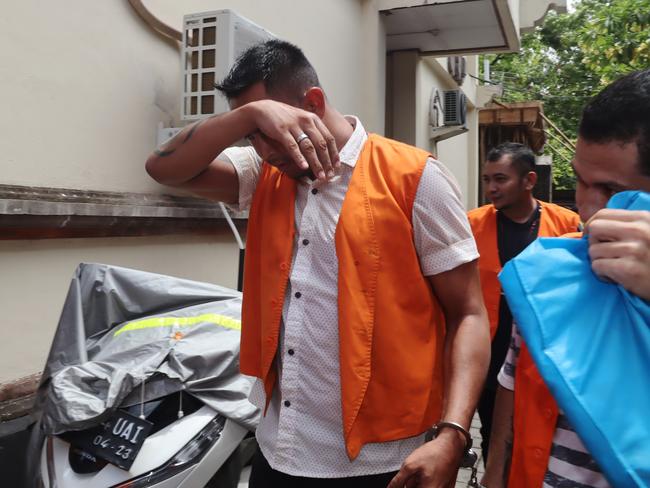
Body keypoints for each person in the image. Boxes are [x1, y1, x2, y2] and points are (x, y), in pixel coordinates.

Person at [145, 39, 490, 487]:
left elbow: (469, 313)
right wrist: (249, 117)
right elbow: (164, 170)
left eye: (271, 130)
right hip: (278, 448)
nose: (264, 149)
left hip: (383, 462)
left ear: (313, 103)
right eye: (254, 135)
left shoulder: (415, 179)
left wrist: (453, 434)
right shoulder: (262, 174)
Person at [482, 69, 650, 487]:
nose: (588, 208)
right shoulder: (549, 269)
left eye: (612, 190)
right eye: (580, 179)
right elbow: (512, 380)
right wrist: (494, 475)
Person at [467, 143, 580, 462]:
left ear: (529, 180)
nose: (491, 188)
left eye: (500, 179)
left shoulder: (566, 224)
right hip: (490, 349)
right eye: (487, 179)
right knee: (494, 435)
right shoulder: (472, 224)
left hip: (544, 352)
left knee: (542, 438)